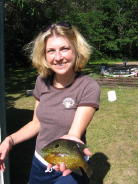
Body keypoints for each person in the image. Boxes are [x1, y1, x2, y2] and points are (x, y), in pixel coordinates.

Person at [0, 22, 100, 184]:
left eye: (64, 49)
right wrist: (10, 140)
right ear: (44, 55)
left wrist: (72, 140)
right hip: (40, 162)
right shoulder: (41, 81)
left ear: (76, 49)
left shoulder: (88, 86)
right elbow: (36, 123)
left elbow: (74, 133)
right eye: (51, 51)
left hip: (68, 165)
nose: (58, 57)